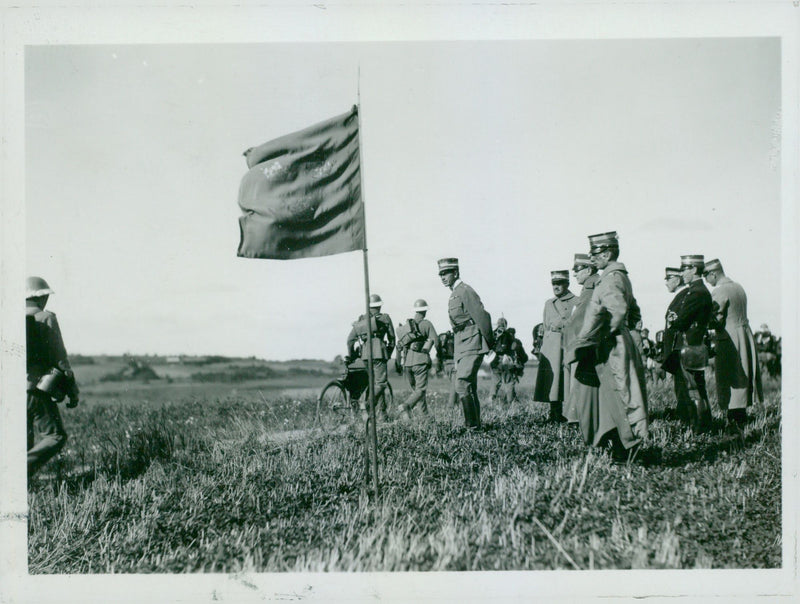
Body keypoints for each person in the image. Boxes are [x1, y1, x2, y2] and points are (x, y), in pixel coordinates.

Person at [565, 232, 648, 462]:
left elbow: (618, 311)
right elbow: (632, 310)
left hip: (610, 346)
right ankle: (619, 446)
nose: (593, 258)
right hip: (610, 343)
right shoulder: (614, 276)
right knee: (609, 398)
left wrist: (599, 336)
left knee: (620, 397)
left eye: (596, 253)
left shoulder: (611, 278)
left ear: (609, 253)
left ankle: (628, 450)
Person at [26, 276, 80, 478]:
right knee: (55, 436)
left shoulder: (8, 319)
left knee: (22, 443)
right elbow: (60, 359)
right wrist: (72, 391)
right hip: (36, 390)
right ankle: (17, 471)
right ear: (40, 297)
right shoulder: (45, 317)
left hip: (10, 391)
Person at [703, 258, 763, 427]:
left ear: (713, 274)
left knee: (729, 378)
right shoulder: (738, 287)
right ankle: (741, 416)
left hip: (729, 338)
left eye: (706, 277)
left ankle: (734, 420)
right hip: (744, 334)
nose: (707, 281)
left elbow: (716, 319)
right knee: (742, 375)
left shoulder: (720, 291)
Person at [438, 257, 494, 429]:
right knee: (468, 385)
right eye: (441, 274)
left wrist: (489, 343)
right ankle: (476, 425)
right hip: (462, 342)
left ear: (456, 272)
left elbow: (483, 316)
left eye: (446, 273)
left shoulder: (465, 291)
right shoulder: (454, 293)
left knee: (461, 384)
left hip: (472, 341)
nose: (443, 277)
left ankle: (472, 426)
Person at [661, 255, 713, 432]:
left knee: (693, 389)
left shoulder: (697, 293)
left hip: (690, 346)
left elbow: (681, 321)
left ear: (694, 270)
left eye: (685, 269)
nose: (682, 272)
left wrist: (674, 323)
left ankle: (698, 427)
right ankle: (700, 424)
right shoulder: (697, 291)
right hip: (692, 345)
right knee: (694, 388)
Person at [562, 253, 601, 435]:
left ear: (588, 269)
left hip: (584, 343)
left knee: (581, 383)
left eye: (577, 270)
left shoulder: (591, 287)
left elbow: (578, 320)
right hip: (585, 342)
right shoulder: (589, 286)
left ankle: (577, 419)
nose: (574, 274)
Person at [533, 270, 577, 422]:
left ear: (567, 284)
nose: (556, 287)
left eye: (560, 283)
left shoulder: (576, 301)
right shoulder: (548, 303)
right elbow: (545, 325)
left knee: (568, 380)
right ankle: (554, 414)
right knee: (553, 383)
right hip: (551, 345)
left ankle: (571, 415)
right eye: (554, 284)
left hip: (567, 344)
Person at [346, 294, 395, 421]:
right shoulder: (385, 318)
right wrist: (387, 353)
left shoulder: (361, 320)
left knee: (374, 384)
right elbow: (392, 339)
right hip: (379, 353)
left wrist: (352, 356)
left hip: (365, 356)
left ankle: (382, 414)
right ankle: (366, 405)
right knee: (381, 383)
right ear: (379, 306)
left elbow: (350, 340)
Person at [396, 299, 438, 419]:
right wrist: (439, 354)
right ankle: (406, 406)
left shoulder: (406, 326)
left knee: (417, 391)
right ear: (425, 311)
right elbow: (436, 341)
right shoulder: (427, 324)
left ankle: (424, 416)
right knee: (421, 389)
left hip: (408, 362)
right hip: (420, 361)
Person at [489, 318, 528, 405]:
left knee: (495, 381)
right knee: (509, 382)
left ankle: (491, 399)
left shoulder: (493, 334)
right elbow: (520, 353)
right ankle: (511, 403)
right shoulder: (510, 337)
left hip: (494, 361)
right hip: (506, 362)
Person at [436, 330, 457, 407]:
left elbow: (438, 353)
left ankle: (455, 405)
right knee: (454, 386)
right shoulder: (455, 337)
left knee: (455, 385)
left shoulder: (442, 338)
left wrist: (439, 365)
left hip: (445, 363)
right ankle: (451, 406)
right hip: (455, 363)